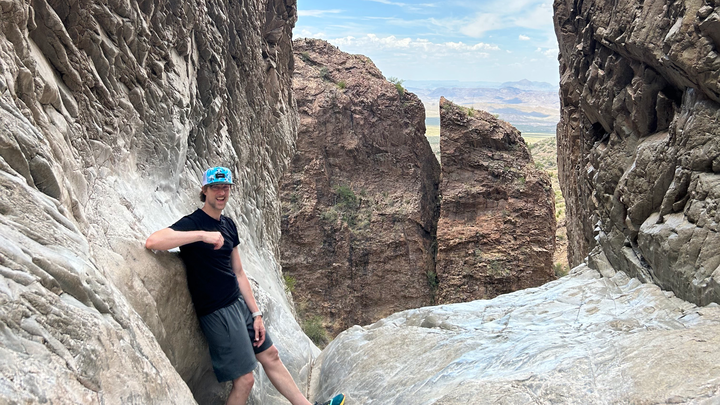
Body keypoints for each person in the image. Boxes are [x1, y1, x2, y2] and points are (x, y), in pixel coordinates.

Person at [145, 167, 345, 405]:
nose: (221, 193)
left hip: (238, 304)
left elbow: (239, 273)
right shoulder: (193, 222)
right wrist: (202, 235)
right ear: (204, 190)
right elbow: (153, 241)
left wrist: (256, 314)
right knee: (245, 380)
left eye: (226, 187)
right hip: (218, 311)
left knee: (271, 355)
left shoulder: (228, 225)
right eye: (216, 187)